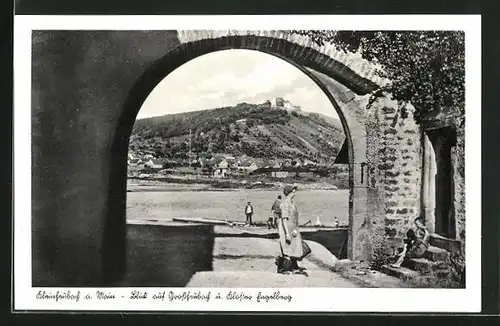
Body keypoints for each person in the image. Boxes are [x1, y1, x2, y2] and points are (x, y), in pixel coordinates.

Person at [275, 185, 307, 275]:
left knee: (294, 248)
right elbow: (284, 219)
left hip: (293, 230)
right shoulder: (285, 204)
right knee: (287, 248)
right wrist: (286, 234)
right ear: (289, 193)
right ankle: (284, 268)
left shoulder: (291, 203)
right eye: (293, 191)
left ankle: (294, 267)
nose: (295, 193)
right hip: (287, 229)